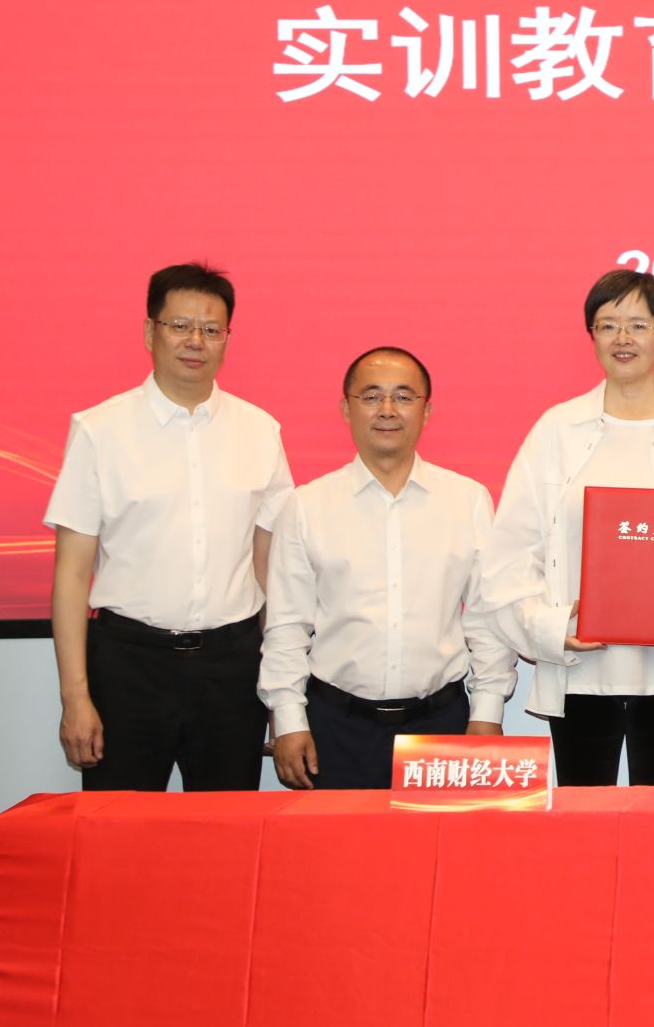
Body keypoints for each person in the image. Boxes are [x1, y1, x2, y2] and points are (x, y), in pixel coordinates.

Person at [475, 270, 654, 787]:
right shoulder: (555, 430)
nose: (623, 338)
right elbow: (509, 557)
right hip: (579, 675)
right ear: (592, 336)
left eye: (639, 325)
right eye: (608, 325)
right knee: (581, 825)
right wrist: (551, 628)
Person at [43, 262, 293, 790]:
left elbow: (270, 569)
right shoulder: (100, 430)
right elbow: (71, 575)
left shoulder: (260, 431)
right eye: (180, 325)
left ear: (227, 338)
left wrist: (281, 693)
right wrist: (75, 697)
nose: (195, 341)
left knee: (226, 829)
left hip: (232, 668)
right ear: (149, 331)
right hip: (128, 665)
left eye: (211, 329)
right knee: (119, 829)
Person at [258, 347, 516, 790]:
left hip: (440, 723)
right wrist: (288, 719)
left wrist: (488, 712)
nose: (388, 410)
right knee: (335, 839)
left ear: (426, 410)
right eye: (372, 396)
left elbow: (487, 617)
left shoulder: (467, 501)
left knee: (437, 840)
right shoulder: (307, 506)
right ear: (346, 408)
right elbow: (286, 625)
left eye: (404, 396)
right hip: (334, 727)